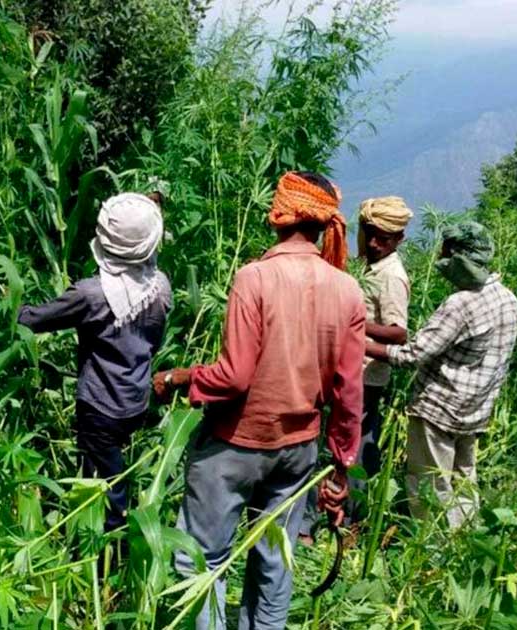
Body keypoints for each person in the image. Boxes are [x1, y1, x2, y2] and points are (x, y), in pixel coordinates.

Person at [154, 172, 365, 630]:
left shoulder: (255, 278)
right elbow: (349, 391)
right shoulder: (347, 289)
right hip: (298, 450)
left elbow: (234, 377)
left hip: (236, 445)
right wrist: (342, 464)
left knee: (204, 561)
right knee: (274, 561)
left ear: (281, 213)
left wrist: (181, 377)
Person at [18, 192, 171, 532]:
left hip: (100, 405)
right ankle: (102, 537)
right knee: (108, 468)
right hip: (135, 399)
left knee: (103, 485)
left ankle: (103, 553)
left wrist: (8, 308)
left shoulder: (91, 293)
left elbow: (34, 320)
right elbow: (154, 341)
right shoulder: (160, 287)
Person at [365, 221, 517, 530]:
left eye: (445, 254)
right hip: (474, 413)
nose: (440, 260)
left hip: (438, 411)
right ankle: (463, 548)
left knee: (429, 488)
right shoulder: (508, 299)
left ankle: (430, 555)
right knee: (463, 483)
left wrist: (360, 343)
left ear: (459, 259)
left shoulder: (461, 304)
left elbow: (412, 355)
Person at [347, 196, 413, 523]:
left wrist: (352, 324)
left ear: (398, 239)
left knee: (354, 444)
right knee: (357, 439)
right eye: (368, 234)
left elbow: (398, 333)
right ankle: (354, 514)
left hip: (367, 374)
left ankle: (352, 516)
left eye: (382, 239)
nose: (373, 244)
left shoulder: (391, 276)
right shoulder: (372, 267)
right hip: (357, 371)